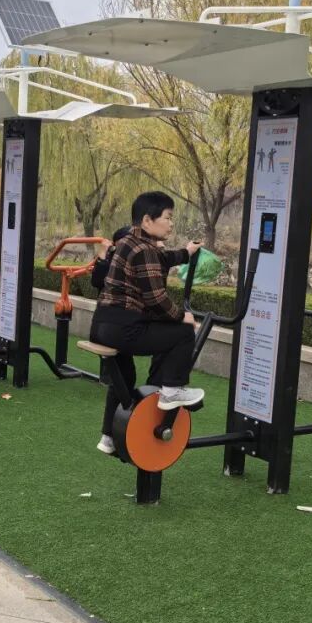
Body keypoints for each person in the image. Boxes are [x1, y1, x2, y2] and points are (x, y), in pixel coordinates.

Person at [90, 192, 203, 455]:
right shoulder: (145, 250)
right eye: (167, 218)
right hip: (125, 329)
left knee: (123, 378)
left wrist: (186, 253)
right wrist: (182, 316)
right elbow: (156, 299)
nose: (171, 224)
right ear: (147, 220)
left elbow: (163, 259)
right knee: (183, 333)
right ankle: (172, 390)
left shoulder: (127, 242)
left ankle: (108, 437)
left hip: (102, 326)